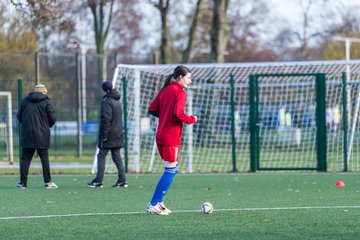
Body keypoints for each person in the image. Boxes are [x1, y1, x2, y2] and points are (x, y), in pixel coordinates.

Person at [146, 65, 198, 215]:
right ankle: (153, 203)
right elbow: (177, 114)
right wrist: (191, 119)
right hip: (170, 136)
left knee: (171, 168)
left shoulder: (165, 90)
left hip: (161, 134)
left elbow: (152, 109)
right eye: (188, 78)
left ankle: (159, 202)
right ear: (180, 77)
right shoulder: (180, 93)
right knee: (170, 170)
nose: (190, 81)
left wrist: (165, 117)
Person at [16, 84, 57, 189]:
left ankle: (22, 183)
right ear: (42, 92)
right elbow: (52, 117)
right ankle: (47, 182)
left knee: (25, 159)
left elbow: (19, 117)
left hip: (27, 134)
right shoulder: (47, 101)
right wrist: (47, 125)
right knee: (44, 159)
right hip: (42, 134)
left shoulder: (25, 101)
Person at [88, 81, 127, 188]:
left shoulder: (107, 102)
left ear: (104, 90)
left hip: (109, 134)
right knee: (117, 157)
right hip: (118, 133)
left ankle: (98, 180)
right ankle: (122, 180)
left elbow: (106, 119)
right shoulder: (117, 101)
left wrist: (104, 135)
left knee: (101, 156)